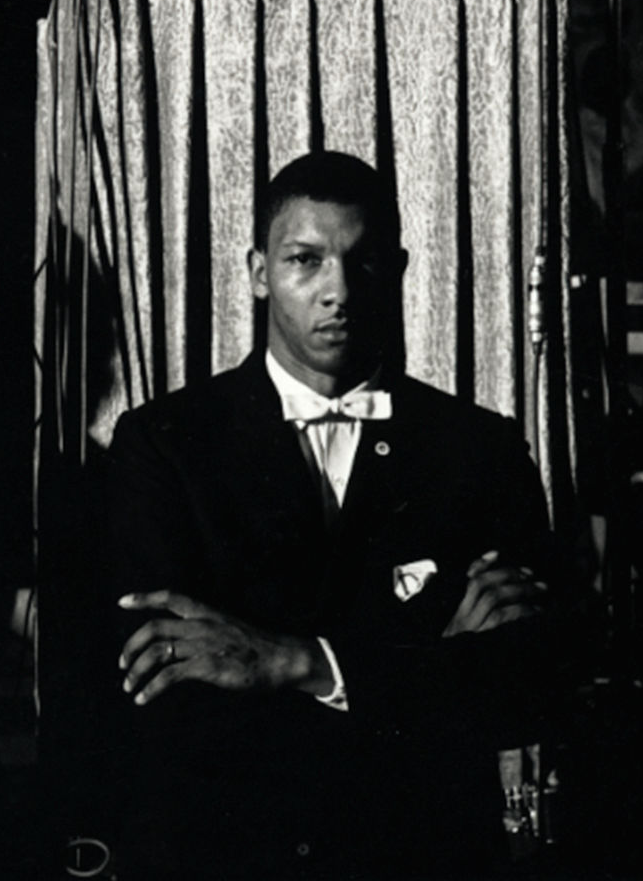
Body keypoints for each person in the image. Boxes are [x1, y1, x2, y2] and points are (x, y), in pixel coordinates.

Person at [103, 151, 567, 880]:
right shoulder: (164, 443)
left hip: (417, 857)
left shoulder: (480, 448)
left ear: (403, 267)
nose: (338, 292)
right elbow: (170, 690)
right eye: (305, 261)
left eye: (364, 262)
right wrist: (429, 660)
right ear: (259, 272)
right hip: (231, 856)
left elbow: (527, 680)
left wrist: (289, 661)